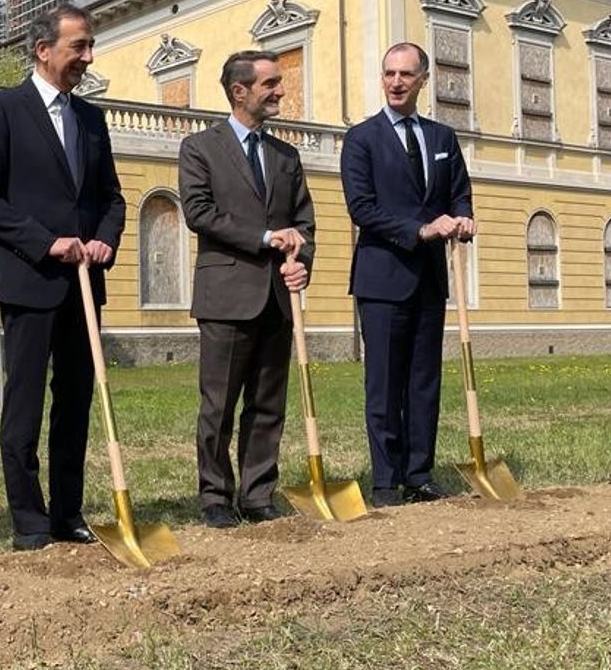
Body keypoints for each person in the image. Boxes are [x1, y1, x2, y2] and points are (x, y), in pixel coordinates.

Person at [0, 4, 126, 550]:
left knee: (76, 398)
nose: (88, 56)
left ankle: (67, 512)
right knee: (26, 402)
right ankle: (29, 521)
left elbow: (111, 198)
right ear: (43, 50)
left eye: (89, 46)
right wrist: (45, 242)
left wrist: (105, 238)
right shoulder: (1, 111)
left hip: (85, 284)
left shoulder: (92, 119)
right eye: (78, 46)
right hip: (29, 280)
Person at [178, 51, 315, 528]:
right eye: (271, 83)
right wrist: (263, 239)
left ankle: (258, 495)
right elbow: (199, 213)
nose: (280, 90)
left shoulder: (286, 156)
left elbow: (304, 224)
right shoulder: (200, 149)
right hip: (226, 297)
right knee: (218, 405)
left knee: (268, 403)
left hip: (277, 298)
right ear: (240, 91)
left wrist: (302, 264)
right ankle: (215, 496)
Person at [340, 42, 475, 506]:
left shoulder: (441, 138)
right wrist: (419, 229)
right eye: (389, 74)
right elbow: (362, 209)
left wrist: (463, 217)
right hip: (381, 279)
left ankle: (420, 474)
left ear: (423, 79)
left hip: (430, 281)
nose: (396, 82)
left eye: (405, 74)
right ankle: (385, 480)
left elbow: (459, 192)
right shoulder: (362, 139)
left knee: (423, 380)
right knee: (384, 382)